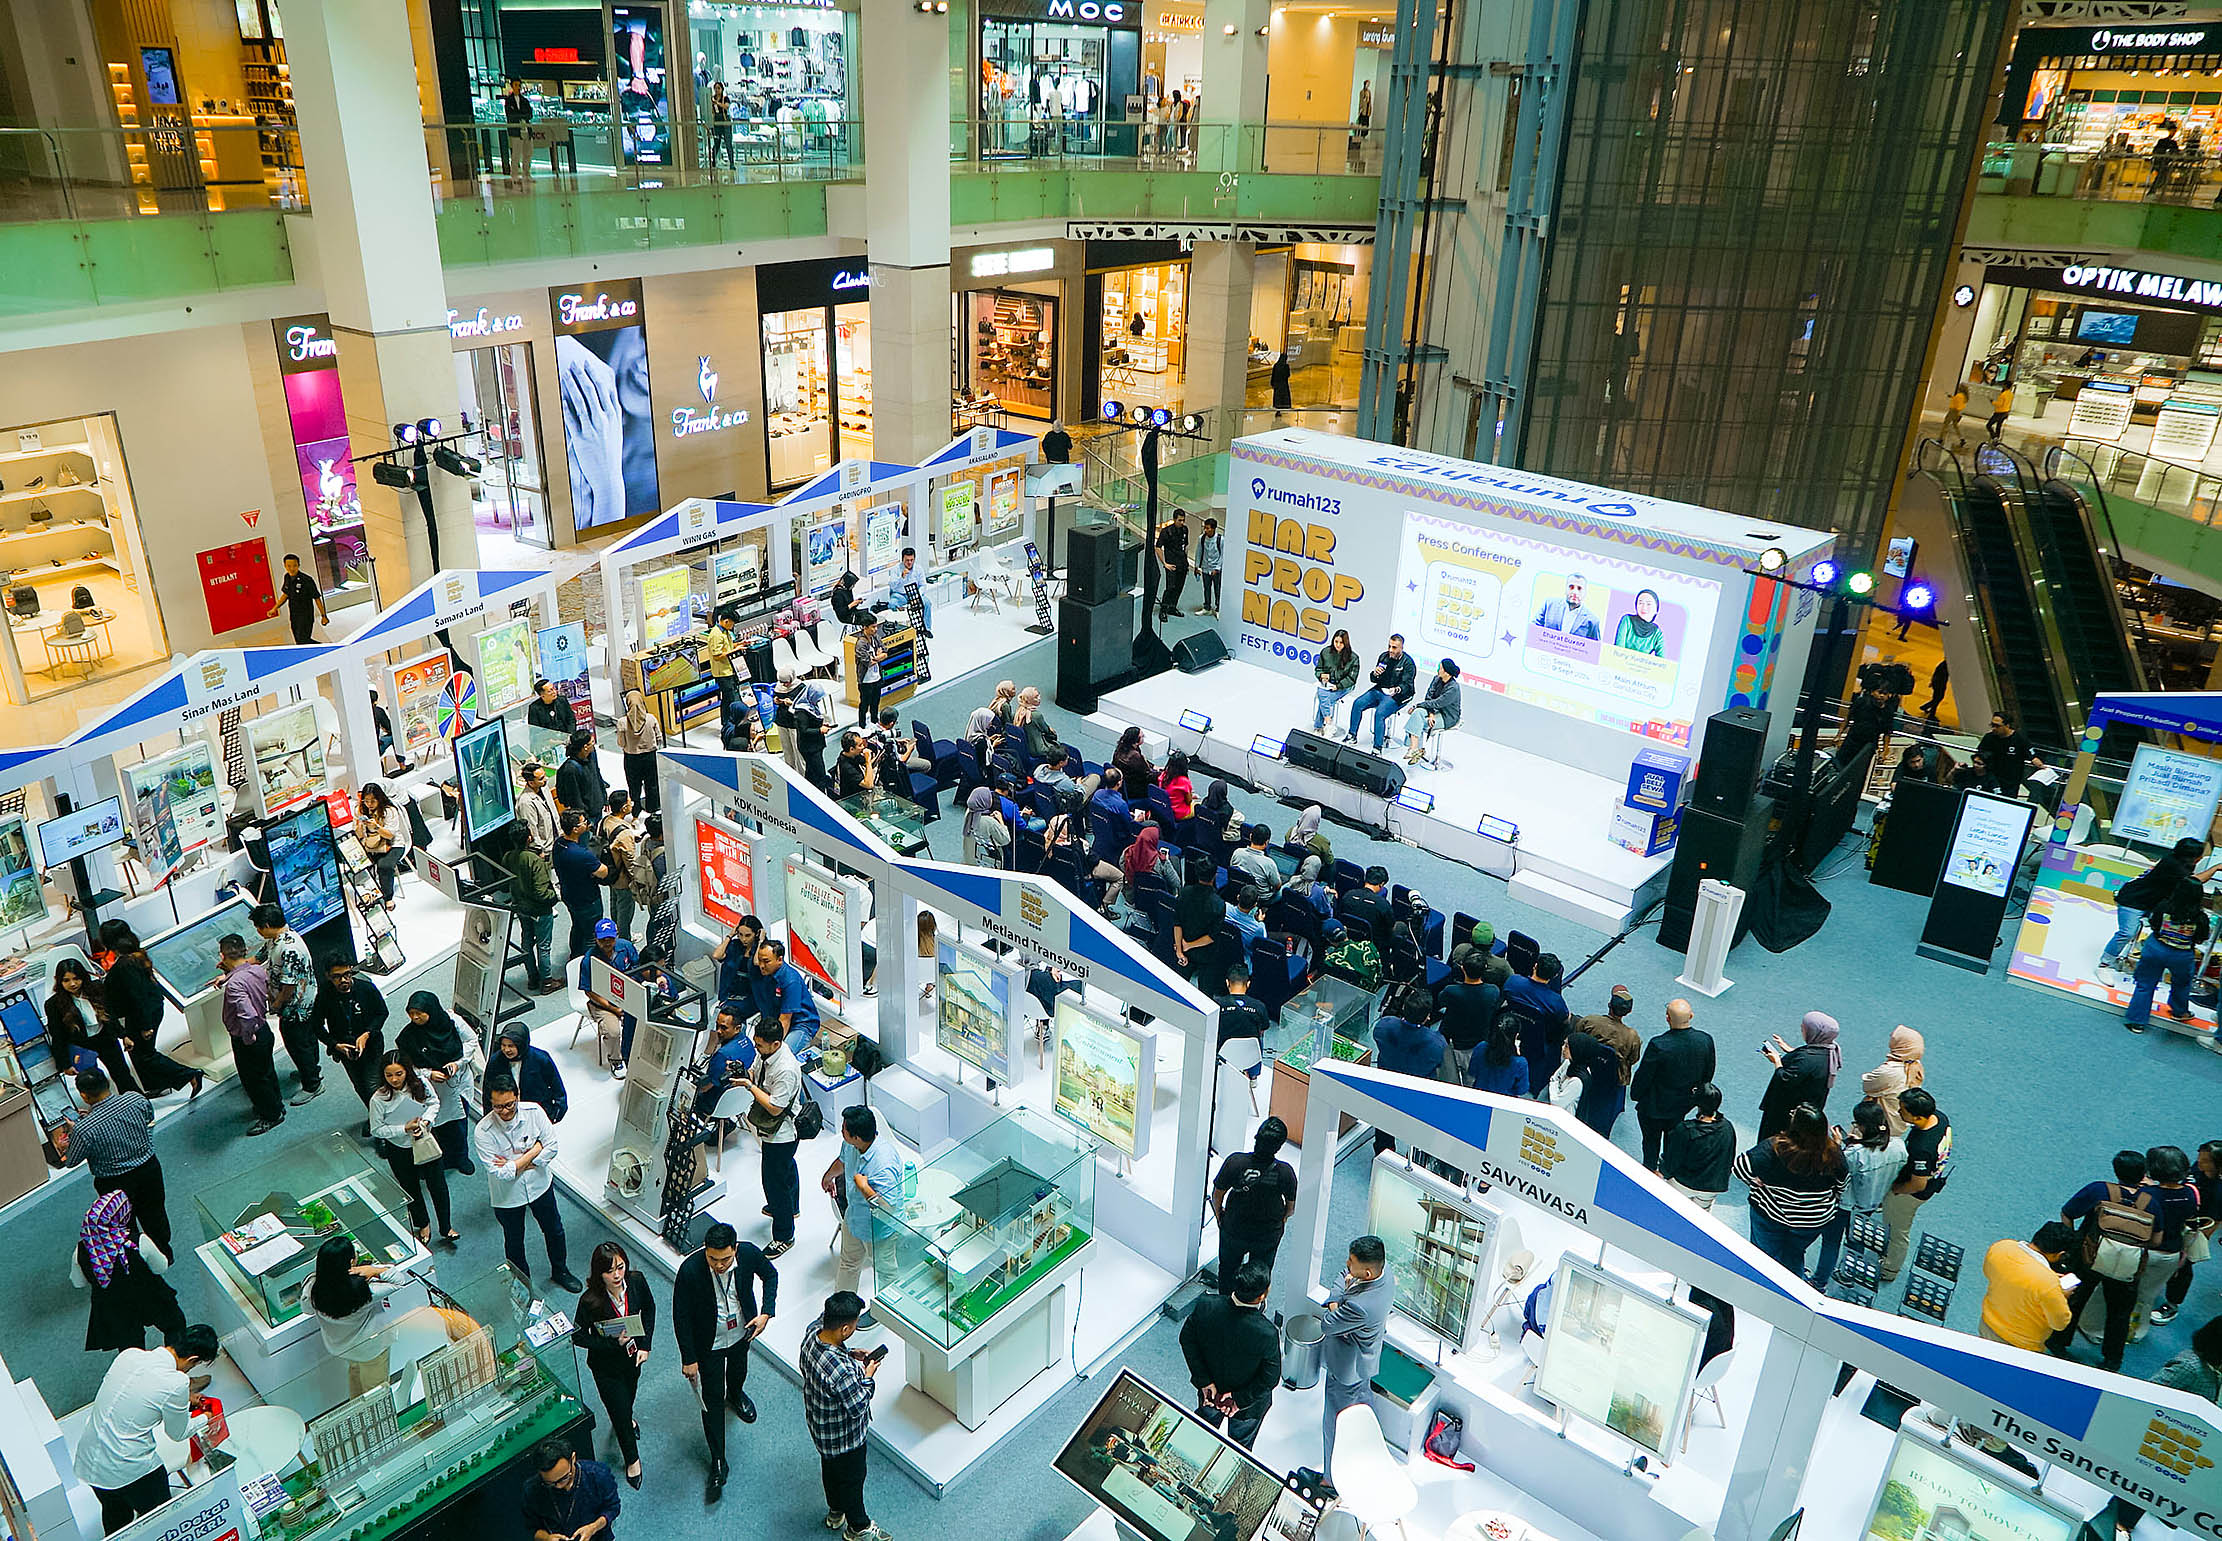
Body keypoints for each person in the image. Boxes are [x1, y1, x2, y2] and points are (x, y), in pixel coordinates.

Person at [74, 1323, 219, 1534]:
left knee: (117, 1520)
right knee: (162, 1523)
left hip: (90, 1464)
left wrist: (182, 1400)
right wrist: (206, 1417)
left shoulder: (129, 1355)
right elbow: (178, 1433)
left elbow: (136, 1397)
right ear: (193, 1360)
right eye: (193, 1366)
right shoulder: (176, 1382)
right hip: (131, 1470)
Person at [673, 1220, 778, 1501]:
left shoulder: (749, 1254)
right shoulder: (691, 1269)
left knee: (739, 1371)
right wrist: (689, 1358)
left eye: (725, 1259)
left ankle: (736, 1394)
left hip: (743, 1331)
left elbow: (770, 1275)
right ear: (705, 1251)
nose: (719, 1265)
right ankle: (718, 1459)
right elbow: (680, 1316)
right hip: (709, 1344)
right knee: (711, 1399)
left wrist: (767, 1312)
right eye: (713, 1259)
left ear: (735, 1249)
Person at [477, 1072, 578, 1291]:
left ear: (518, 1096)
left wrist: (515, 1164)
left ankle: (560, 1270)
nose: (505, 1111)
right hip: (507, 1196)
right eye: (498, 1107)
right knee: (514, 1241)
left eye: (509, 1105)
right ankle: (524, 1287)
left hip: (539, 1185)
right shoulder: (482, 1131)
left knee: (554, 1230)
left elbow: (552, 1146)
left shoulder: (533, 1112)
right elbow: (500, 1174)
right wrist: (534, 1152)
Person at [802, 1291, 890, 1541]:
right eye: (852, 1326)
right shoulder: (841, 1373)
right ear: (843, 1328)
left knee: (830, 1471)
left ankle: (835, 1510)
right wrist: (868, 1374)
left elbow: (830, 1352)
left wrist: (849, 1354)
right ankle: (858, 1528)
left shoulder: (811, 1336)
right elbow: (858, 1404)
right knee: (853, 1480)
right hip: (846, 1438)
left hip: (821, 1428)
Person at [59, 1068, 173, 1254]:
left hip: (114, 1184)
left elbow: (71, 1161)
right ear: (108, 1084)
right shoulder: (135, 1099)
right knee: (155, 1214)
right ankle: (163, 1254)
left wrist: (74, 1131)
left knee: (124, 1226)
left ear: (84, 1096)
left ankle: (137, 1262)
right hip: (149, 1170)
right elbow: (148, 1119)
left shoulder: (84, 1129)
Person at [1735, 1106, 1847, 1283]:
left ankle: (1760, 1285)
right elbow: (1842, 1186)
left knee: (1764, 1256)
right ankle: (1792, 1292)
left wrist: (1753, 1181)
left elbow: (1740, 1167)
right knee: (1795, 1255)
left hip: (1770, 1214)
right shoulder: (1834, 1153)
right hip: (1812, 1221)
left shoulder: (1774, 1147)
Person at [574, 1242, 654, 1489]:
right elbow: (578, 1336)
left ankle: (627, 1420)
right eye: (610, 1271)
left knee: (628, 1399)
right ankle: (632, 1459)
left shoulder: (637, 1281)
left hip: (633, 1358)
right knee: (618, 1411)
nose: (617, 1275)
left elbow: (649, 1309)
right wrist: (610, 1343)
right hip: (605, 1367)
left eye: (620, 1267)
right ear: (599, 1273)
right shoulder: (590, 1301)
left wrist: (645, 1345)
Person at [71, 1189, 184, 1352]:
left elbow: (78, 1282)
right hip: (152, 1296)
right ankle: (175, 1366)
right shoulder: (138, 1242)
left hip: (115, 1308)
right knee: (175, 1326)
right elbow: (161, 1267)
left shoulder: (81, 1251)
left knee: (131, 1350)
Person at [1181, 1263, 1280, 1449]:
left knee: (1200, 1435)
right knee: (1240, 1447)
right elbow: (1270, 1378)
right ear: (1262, 1296)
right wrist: (1238, 1399)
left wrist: (1204, 1381)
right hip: (1246, 1408)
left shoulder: (1206, 1305)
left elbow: (1187, 1339)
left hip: (1209, 1394)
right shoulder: (1267, 1333)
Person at [96, 925, 198, 1098]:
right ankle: (156, 1085)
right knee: (140, 1054)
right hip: (148, 1010)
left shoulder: (125, 965)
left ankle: (190, 1074)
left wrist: (145, 1026)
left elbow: (137, 996)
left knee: (145, 1055)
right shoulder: (136, 956)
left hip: (143, 1015)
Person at [367, 1052, 458, 1246]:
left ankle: (446, 1226)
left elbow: (434, 1103)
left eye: (398, 1074)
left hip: (424, 1141)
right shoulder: (378, 1099)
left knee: (438, 1186)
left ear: (406, 1071)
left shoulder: (421, 1084)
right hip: (400, 1149)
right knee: (411, 1188)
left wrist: (425, 1121)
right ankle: (423, 1223)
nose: (394, 1079)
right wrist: (403, 1129)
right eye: (389, 1075)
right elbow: (377, 1129)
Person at [305, 1234, 411, 1394]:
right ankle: (377, 1418)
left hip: (342, 1347)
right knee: (375, 1392)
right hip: (371, 1348)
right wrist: (375, 1270)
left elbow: (306, 1309)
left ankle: (358, 1414)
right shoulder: (364, 1291)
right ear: (351, 1262)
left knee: (355, 1380)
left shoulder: (314, 1288)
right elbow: (399, 1281)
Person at [1320, 1235, 1392, 1468]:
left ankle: (1331, 1479)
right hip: (1364, 1364)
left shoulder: (1361, 1307)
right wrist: (1340, 1297)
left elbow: (1328, 1324)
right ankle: (1366, 1456)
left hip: (1345, 1370)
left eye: (1352, 1262)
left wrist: (1335, 1303)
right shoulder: (1385, 1272)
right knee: (1362, 1409)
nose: (1347, 1265)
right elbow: (1344, 1275)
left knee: (1334, 1423)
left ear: (1368, 1273)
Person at [740, 1017, 806, 1257]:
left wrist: (749, 1086)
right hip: (776, 1134)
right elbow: (756, 1071)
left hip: (782, 1134)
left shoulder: (786, 1069)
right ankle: (792, 1207)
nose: (756, 1049)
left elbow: (776, 1107)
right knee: (787, 1169)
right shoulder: (767, 1054)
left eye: (760, 1046)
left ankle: (784, 1234)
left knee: (774, 1183)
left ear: (776, 1043)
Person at [826, 1106, 903, 1310]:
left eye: (844, 1129)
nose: (841, 1131)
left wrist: (864, 1188)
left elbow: (889, 1208)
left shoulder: (883, 1164)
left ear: (857, 1137)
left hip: (879, 1229)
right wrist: (828, 1176)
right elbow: (842, 1161)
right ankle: (841, 1310)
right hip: (854, 1218)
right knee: (848, 1262)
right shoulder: (851, 1145)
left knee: (885, 1271)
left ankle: (887, 1309)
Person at [398, 991, 481, 1174]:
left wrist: (457, 1063)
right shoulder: (408, 1037)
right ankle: (439, 1158)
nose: (415, 1017)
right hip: (433, 1089)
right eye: (411, 1013)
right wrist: (429, 1073)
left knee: (459, 1123)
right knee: (437, 1125)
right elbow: (408, 1066)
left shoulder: (452, 1021)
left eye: (419, 1012)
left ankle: (461, 1157)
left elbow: (471, 1040)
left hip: (458, 1083)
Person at [252, 902, 323, 1106]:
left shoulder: (289, 948)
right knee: (306, 1040)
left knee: (297, 1043)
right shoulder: (277, 939)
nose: (257, 932)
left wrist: (276, 1004)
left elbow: (288, 986)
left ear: (266, 924)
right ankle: (311, 1069)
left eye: (258, 927)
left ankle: (312, 1084)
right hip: (299, 1003)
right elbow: (258, 958)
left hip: (296, 1007)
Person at [1880, 1087, 1951, 1284]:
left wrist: (1897, 1190)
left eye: (1903, 1110)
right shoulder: (1939, 1117)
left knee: (1898, 1230)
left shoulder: (1922, 1148)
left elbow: (1918, 1184)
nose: (1899, 1112)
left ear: (1918, 1117)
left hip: (1910, 1194)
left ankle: (1889, 1268)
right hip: (1930, 1180)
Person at [217, 933, 283, 1135]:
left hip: (249, 1038)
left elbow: (248, 1015)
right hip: (264, 1031)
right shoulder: (256, 971)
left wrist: (247, 1038)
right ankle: (275, 1105)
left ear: (222, 955)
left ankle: (270, 1115)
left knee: (254, 1079)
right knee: (267, 1071)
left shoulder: (235, 985)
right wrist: (227, 974)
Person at [1979, 1222, 2077, 1351]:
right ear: (2060, 1254)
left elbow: (1989, 1273)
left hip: (1987, 1325)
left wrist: (2048, 1278)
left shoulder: (2002, 1247)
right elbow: (2059, 1323)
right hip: (2020, 1345)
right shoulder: (2048, 1284)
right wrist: (2061, 1296)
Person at [2126, 882, 2210, 1032]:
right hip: (2182, 955)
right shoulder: (2200, 917)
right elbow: (2201, 937)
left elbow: (2154, 924)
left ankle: (2137, 1021)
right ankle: (2179, 1011)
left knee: (2145, 984)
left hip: (2156, 948)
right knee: (2182, 984)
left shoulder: (2163, 907)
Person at [1835, 1097, 1906, 1266]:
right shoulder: (1899, 1147)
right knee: (1857, 1239)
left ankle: (1827, 1277)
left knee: (1832, 1241)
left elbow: (1839, 1169)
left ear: (1862, 1126)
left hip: (1848, 1204)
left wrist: (1838, 1147)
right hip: (1873, 1203)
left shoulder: (1855, 1154)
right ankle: (1851, 1272)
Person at [48, 958, 137, 1094]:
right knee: (92, 1083)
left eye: (76, 978)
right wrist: (64, 1063)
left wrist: (123, 1035)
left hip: (105, 1038)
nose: (72, 984)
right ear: (59, 981)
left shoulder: (97, 988)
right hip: (82, 1046)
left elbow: (110, 1014)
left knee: (123, 1075)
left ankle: (136, 1102)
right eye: (66, 980)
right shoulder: (54, 1004)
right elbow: (57, 1035)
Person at [2138, 1144, 2204, 1329]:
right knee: (2149, 1294)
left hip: (2146, 1250)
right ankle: (2139, 1329)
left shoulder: (2146, 1194)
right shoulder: (2191, 1193)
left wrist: (2149, 1188)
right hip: (2173, 1253)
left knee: (2130, 1290)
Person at [314, 958, 387, 1114]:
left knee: (373, 1085)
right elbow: (316, 1025)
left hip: (371, 1045)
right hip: (345, 1050)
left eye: (347, 974)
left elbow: (382, 1012)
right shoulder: (324, 995)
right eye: (337, 976)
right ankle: (375, 1117)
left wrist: (367, 1033)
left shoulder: (366, 989)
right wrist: (334, 1044)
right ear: (328, 976)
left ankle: (387, 1118)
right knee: (360, 1086)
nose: (343, 980)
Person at [499, 822, 564, 993]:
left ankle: (532, 978)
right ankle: (547, 982)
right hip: (540, 910)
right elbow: (542, 892)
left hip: (521, 908)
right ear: (529, 838)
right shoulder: (534, 860)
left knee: (526, 943)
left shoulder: (508, 857)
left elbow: (504, 885)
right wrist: (555, 897)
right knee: (544, 946)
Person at [1757, 1011, 1840, 1139]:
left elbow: (1785, 1079)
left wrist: (1777, 1061)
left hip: (1785, 1112)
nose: (1802, 1028)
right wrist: (1789, 1049)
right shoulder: (1828, 1050)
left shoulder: (1807, 1058)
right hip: (1805, 1111)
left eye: (1805, 1027)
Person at [523, 1439, 621, 1541]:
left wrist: (593, 1527)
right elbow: (531, 1527)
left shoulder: (598, 1475)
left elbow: (612, 1507)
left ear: (573, 1459)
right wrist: (547, 1538)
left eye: (564, 1478)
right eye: (550, 1483)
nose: (559, 1486)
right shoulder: (532, 1489)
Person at [1661, 1084, 1736, 1209]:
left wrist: (1664, 1173)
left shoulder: (1685, 1130)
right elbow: (1729, 1157)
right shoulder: (1727, 1127)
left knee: (1671, 1210)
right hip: (1712, 1187)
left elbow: (1672, 1160)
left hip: (1683, 1183)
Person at [554, 809, 610, 961]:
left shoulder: (558, 844)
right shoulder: (581, 854)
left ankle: (575, 957)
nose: (587, 824)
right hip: (587, 900)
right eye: (584, 822)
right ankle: (588, 964)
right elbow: (603, 872)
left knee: (577, 927)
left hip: (569, 896)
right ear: (575, 829)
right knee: (592, 935)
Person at [1347, 633, 1418, 752]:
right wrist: (1375, 674)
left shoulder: (1408, 663)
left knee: (1380, 713)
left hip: (1399, 695)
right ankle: (1352, 735)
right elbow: (1374, 680)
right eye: (1389, 646)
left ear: (1401, 648)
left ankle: (1377, 748)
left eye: (1394, 647)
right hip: (1381, 690)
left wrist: (1396, 689)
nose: (1390, 650)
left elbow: (1407, 686)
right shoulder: (1384, 657)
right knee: (1358, 703)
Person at [752, 939, 823, 1053]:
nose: (761, 965)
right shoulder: (767, 973)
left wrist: (774, 1048)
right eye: (760, 961)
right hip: (776, 1020)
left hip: (799, 1025)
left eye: (766, 961)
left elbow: (785, 1019)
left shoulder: (790, 981)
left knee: (781, 1055)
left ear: (779, 959)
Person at [1570, 984, 1643, 1092]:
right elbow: (1633, 1060)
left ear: (1609, 1005)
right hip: (1614, 1077)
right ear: (1629, 1011)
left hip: (1585, 1069)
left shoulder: (1589, 1021)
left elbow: (1576, 1041)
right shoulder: (1633, 1037)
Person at [494, 1020, 570, 1122]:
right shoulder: (496, 1061)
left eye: (511, 1046)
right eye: (503, 1045)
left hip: (536, 1114)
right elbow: (488, 1092)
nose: (506, 1050)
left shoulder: (540, 1059)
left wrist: (555, 1114)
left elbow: (557, 1088)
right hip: (508, 1115)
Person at [1859, 1026, 1925, 1134]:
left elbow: (1867, 1085)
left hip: (1881, 1121)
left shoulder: (1890, 1071)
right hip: (1898, 1122)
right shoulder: (1915, 1064)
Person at [1403, 657, 1463, 764]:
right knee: (1417, 714)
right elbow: (1429, 697)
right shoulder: (1436, 679)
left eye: (1440, 668)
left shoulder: (1453, 688)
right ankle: (1414, 748)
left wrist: (1417, 705)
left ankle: (1417, 749)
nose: (1438, 670)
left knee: (1419, 720)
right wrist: (1430, 713)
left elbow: (1438, 703)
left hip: (1447, 716)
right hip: (1434, 710)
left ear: (1447, 673)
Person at [615, 689, 663, 815]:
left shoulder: (622, 722)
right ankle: (653, 809)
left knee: (634, 786)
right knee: (652, 784)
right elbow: (659, 738)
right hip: (650, 757)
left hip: (632, 759)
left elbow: (621, 743)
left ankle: (636, 810)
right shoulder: (650, 718)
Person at [1975, 708, 2041, 798]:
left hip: (2010, 783)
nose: (1994, 728)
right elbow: (1979, 754)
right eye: (1992, 725)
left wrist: (2036, 760)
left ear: (2007, 725)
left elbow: (2032, 755)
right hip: (1991, 778)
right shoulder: (1989, 738)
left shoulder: (2019, 739)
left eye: (1997, 726)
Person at [270, 552, 328, 644]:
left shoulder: (307, 580)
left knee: (303, 640)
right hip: (294, 614)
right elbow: (285, 595)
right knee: (298, 639)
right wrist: (275, 608)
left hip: (306, 615)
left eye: (294, 565)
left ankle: (324, 647)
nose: (292, 568)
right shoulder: (287, 577)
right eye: (289, 566)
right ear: (284, 565)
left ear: (298, 565)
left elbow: (317, 598)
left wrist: (323, 616)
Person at [1468, 1014, 1530, 1097]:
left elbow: (1472, 1072)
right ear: (1516, 1036)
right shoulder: (1520, 1063)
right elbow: (1521, 1090)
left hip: (1480, 1097)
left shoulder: (1481, 1047)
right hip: (1503, 1103)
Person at [1312, 629, 1360, 734]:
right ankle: (1328, 723)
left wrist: (1338, 686)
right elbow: (1318, 669)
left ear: (1346, 643)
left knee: (1325, 698)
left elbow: (1352, 679)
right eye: (1336, 641)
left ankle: (1319, 726)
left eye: (1341, 643)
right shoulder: (1325, 652)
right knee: (1322, 692)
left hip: (1344, 686)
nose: (1338, 645)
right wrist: (1321, 676)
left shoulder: (1354, 658)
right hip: (1327, 684)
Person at [557, 727, 609, 824]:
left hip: (597, 807)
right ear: (585, 747)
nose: (594, 744)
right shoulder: (571, 768)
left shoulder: (592, 754)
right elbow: (575, 798)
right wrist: (584, 818)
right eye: (592, 742)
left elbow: (597, 775)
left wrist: (604, 798)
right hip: (586, 817)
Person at [702, 607, 742, 725]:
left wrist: (739, 644)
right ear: (726, 621)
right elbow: (717, 655)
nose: (732, 626)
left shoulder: (725, 632)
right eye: (732, 623)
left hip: (729, 669)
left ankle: (727, 722)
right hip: (722, 672)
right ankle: (727, 723)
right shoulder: (716, 635)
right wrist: (736, 650)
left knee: (727, 698)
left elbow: (728, 647)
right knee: (729, 698)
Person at [1533, 574, 1601, 638]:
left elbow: (1594, 648)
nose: (1575, 592)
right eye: (1571, 587)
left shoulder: (1593, 621)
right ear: (1565, 589)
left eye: (1579, 588)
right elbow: (1533, 630)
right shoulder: (1548, 605)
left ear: (1585, 592)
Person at [517, 760, 560, 856]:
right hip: (546, 850)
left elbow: (553, 813)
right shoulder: (526, 802)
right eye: (541, 778)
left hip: (557, 841)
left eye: (544, 776)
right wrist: (540, 850)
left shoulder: (544, 788)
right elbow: (532, 830)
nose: (546, 779)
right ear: (531, 783)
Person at [963, 785, 1012, 868]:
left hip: (971, 855)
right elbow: (1006, 839)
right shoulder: (989, 822)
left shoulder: (969, 812)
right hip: (989, 859)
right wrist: (1000, 821)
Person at [1156, 506, 1191, 618]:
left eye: (1183, 520)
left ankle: (1172, 607)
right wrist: (1164, 563)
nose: (1182, 522)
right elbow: (1158, 547)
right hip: (1171, 564)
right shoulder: (1166, 532)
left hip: (1182, 564)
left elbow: (1185, 546)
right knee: (1170, 587)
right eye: (1179, 520)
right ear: (1174, 519)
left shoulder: (1185, 530)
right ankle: (1163, 609)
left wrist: (1186, 561)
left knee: (1179, 587)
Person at [895, 547, 934, 637]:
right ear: (902, 560)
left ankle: (926, 628)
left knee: (927, 603)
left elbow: (923, 585)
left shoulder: (919, 569)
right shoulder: (896, 569)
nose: (909, 562)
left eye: (911, 560)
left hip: (915, 594)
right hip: (902, 594)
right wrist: (902, 577)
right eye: (907, 560)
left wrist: (917, 597)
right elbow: (894, 586)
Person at [1614, 588, 1666, 655]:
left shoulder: (1657, 633)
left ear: (1656, 609)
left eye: (1648, 604)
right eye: (1640, 603)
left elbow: (1661, 660)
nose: (1644, 607)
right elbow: (1618, 650)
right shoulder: (1627, 621)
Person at [1195, 516, 1225, 613]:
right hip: (1205, 568)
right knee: (1206, 588)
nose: (1206, 530)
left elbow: (1222, 555)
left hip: (1215, 569)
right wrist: (1197, 566)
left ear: (1213, 528)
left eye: (1208, 528)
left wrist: (1217, 568)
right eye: (1205, 528)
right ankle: (1207, 607)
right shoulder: (1202, 538)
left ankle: (1218, 608)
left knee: (1217, 589)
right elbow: (1199, 552)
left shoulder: (1220, 540)